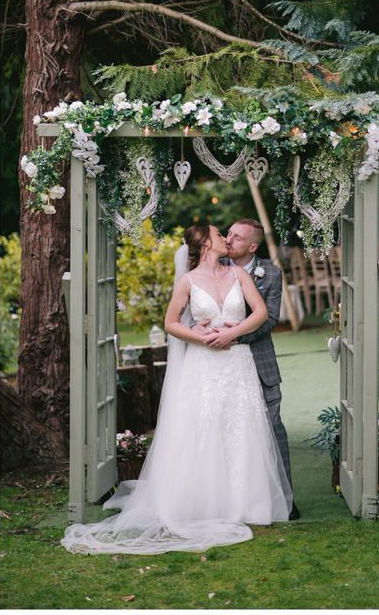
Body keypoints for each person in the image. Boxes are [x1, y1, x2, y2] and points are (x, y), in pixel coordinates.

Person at [61, 223, 292, 554]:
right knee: (206, 431)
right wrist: (202, 337)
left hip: (237, 363)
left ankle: (246, 506)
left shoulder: (239, 276)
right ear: (205, 244)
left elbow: (261, 313)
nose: (225, 239)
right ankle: (206, 504)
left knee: (242, 431)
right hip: (204, 365)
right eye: (218, 234)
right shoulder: (188, 282)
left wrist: (232, 333)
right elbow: (171, 323)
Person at [192, 218, 299, 521]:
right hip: (218, 364)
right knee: (224, 432)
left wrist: (235, 333)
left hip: (258, 360)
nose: (229, 239)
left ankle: (285, 500)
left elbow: (270, 319)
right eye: (228, 233)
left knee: (272, 430)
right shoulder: (213, 266)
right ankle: (227, 500)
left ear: (253, 246)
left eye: (237, 237)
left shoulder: (272, 274)